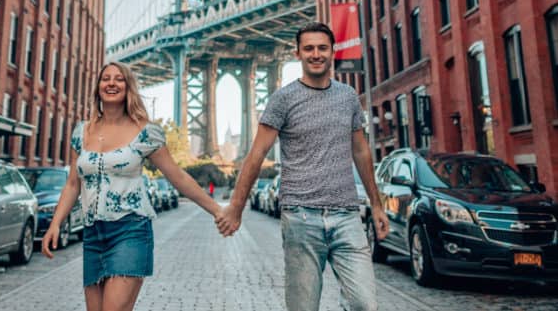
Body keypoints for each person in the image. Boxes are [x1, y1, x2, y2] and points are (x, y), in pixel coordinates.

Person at [216, 22, 389, 311]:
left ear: (333, 52)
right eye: (309, 48)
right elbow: (257, 154)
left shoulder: (347, 97)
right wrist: (236, 207)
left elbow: (360, 151)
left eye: (322, 48)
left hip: (347, 216)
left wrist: (377, 204)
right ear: (298, 54)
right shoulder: (282, 99)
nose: (316, 54)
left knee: (364, 304)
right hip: (301, 218)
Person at [42, 61, 222, 311]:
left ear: (128, 88)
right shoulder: (81, 132)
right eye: (106, 78)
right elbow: (73, 184)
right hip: (93, 234)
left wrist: (217, 210)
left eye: (119, 79)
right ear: (98, 87)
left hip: (130, 231)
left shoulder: (145, 133)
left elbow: (177, 177)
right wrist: (55, 224)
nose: (111, 83)